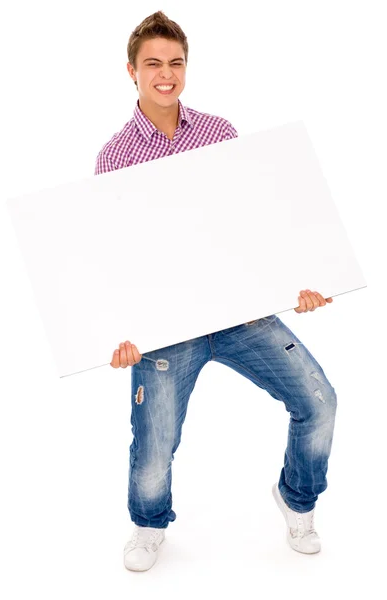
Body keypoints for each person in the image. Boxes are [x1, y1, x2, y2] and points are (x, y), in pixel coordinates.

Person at [94, 11, 336, 572]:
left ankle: (297, 499)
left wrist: (295, 282)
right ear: (131, 71)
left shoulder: (219, 133)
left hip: (239, 313)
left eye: (175, 63)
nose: (165, 74)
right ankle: (150, 526)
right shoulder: (114, 156)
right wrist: (118, 334)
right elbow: (111, 255)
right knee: (153, 451)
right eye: (153, 63)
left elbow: (247, 224)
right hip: (165, 326)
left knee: (319, 401)